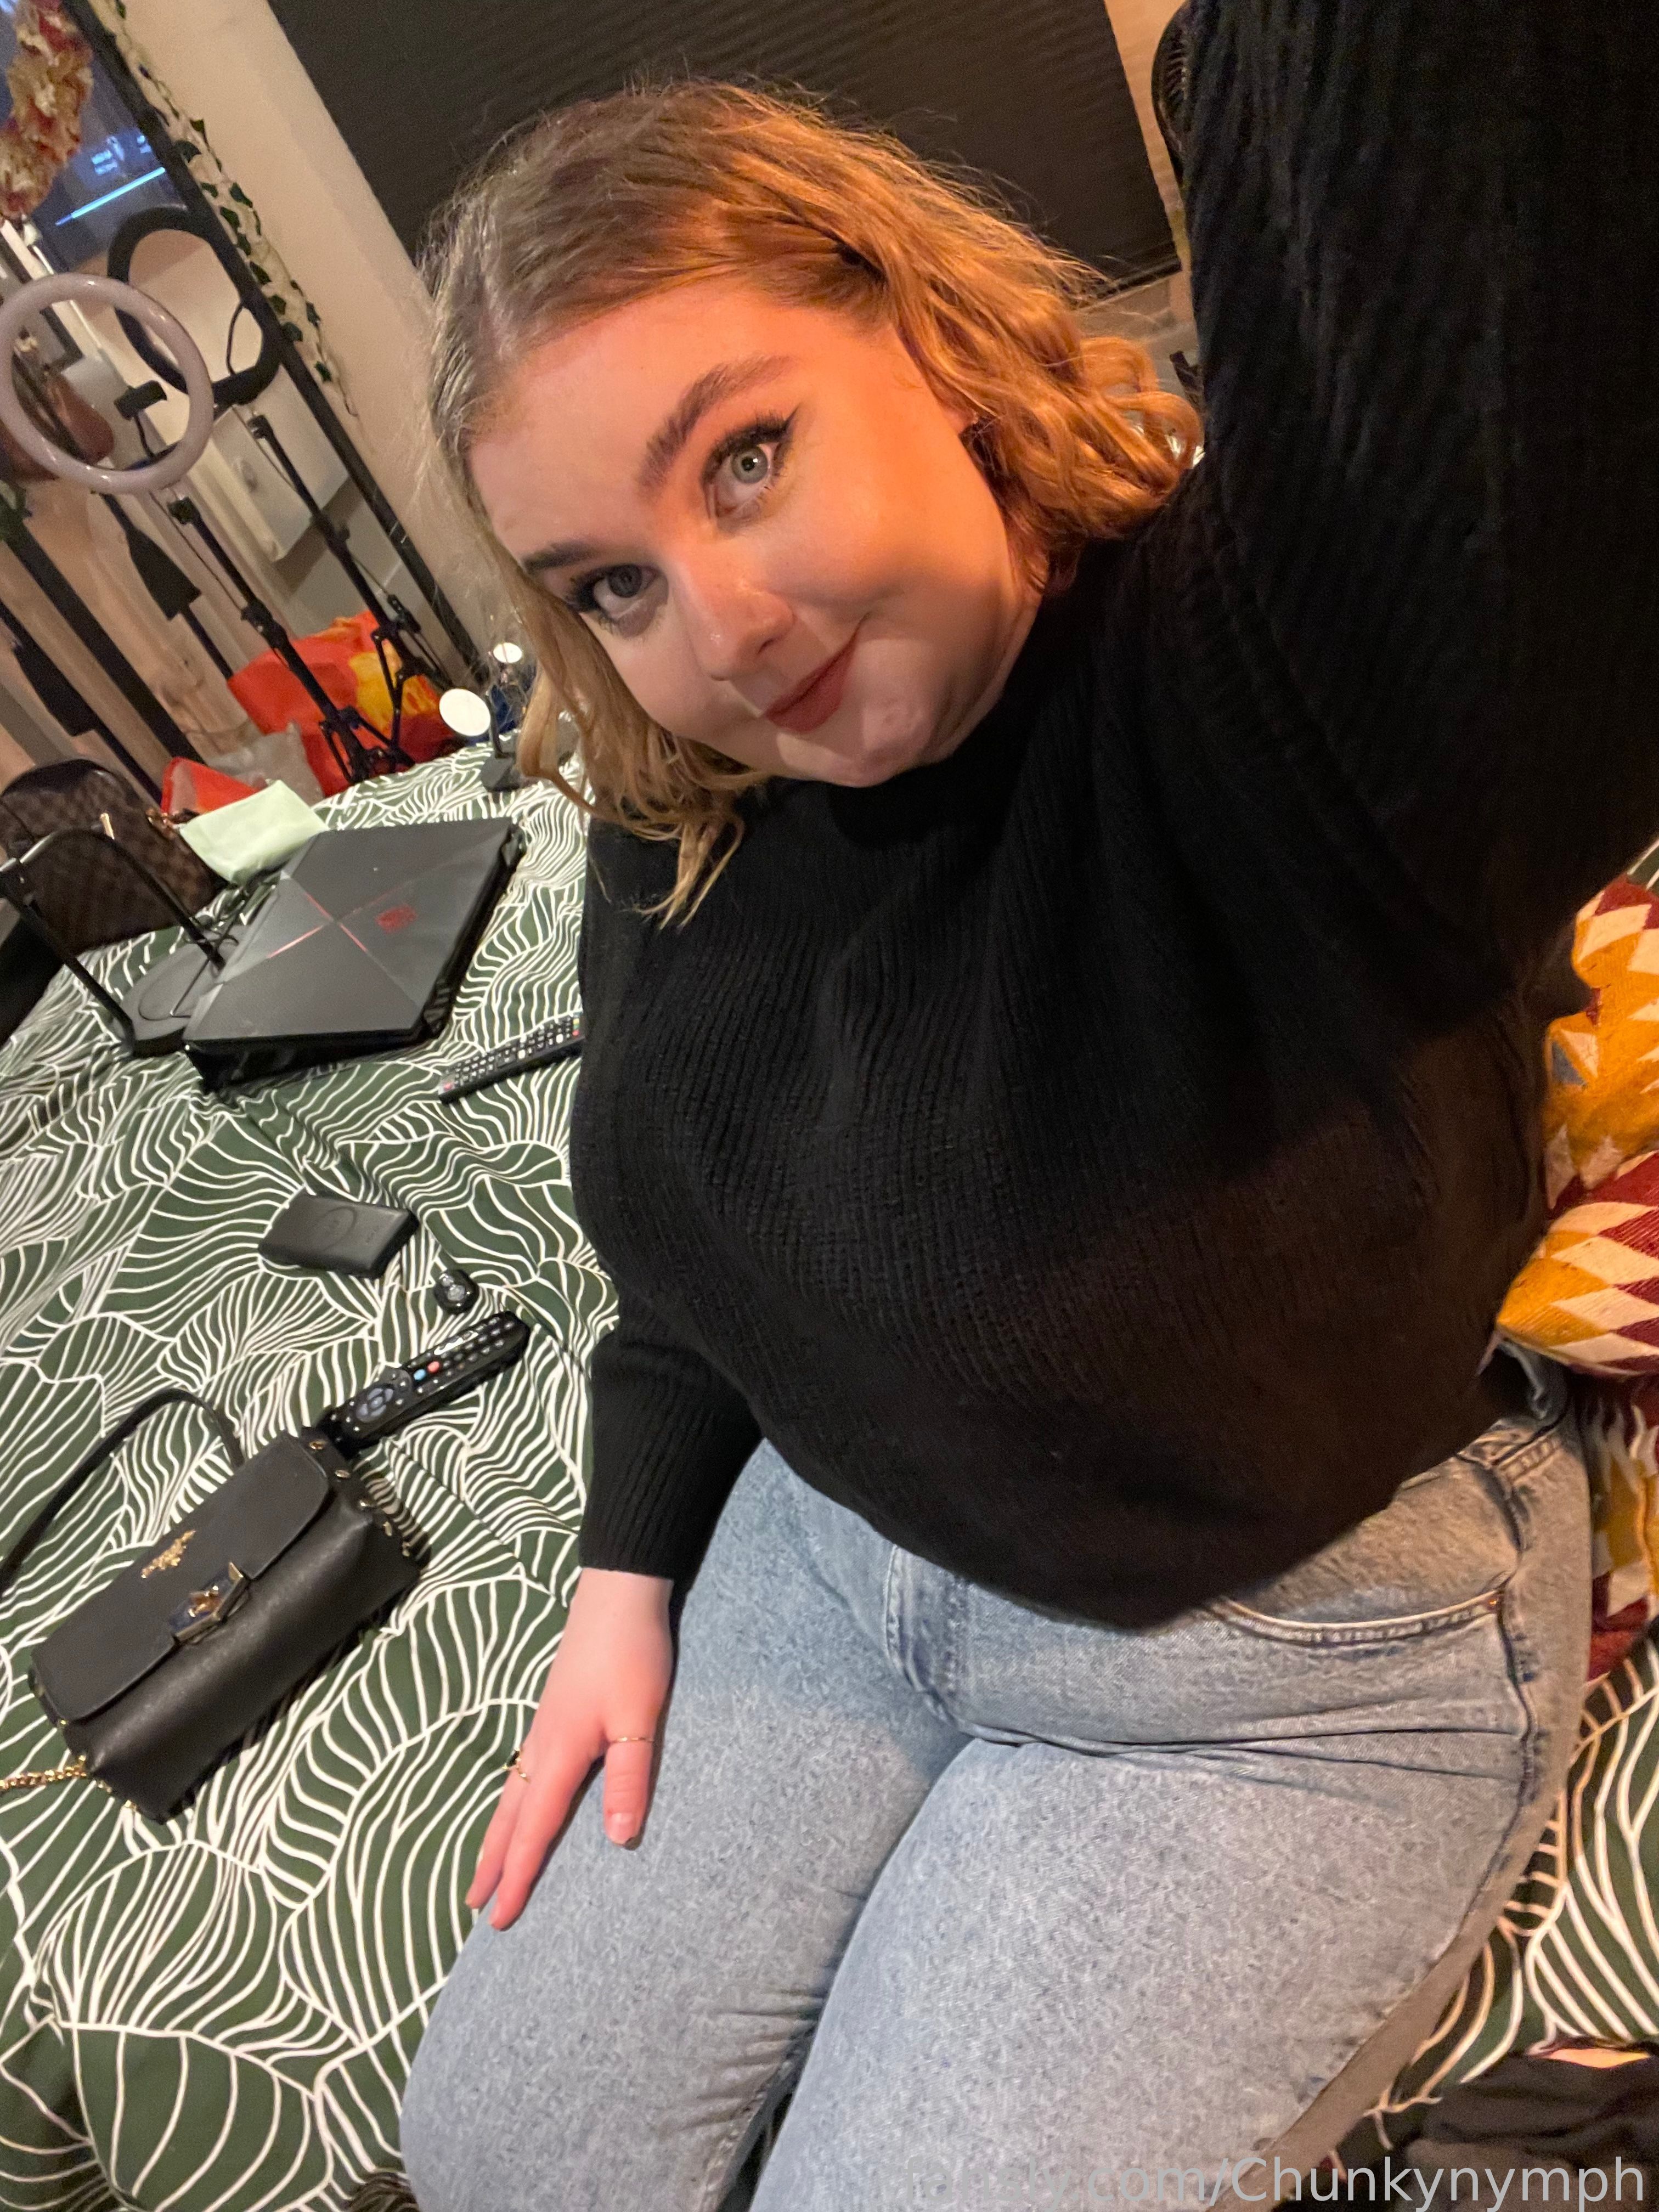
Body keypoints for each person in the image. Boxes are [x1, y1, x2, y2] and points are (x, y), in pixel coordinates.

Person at [399, 3, 1658, 2204]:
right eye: (613, 579)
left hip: (1274, 1660)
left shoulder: (1270, 698)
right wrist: (627, 1563)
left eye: (746, 455)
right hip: (838, 1550)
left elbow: (1481, 223)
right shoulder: (694, 789)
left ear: (932, 342)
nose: (721, 624)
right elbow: (688, 1234)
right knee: (502, 2155)